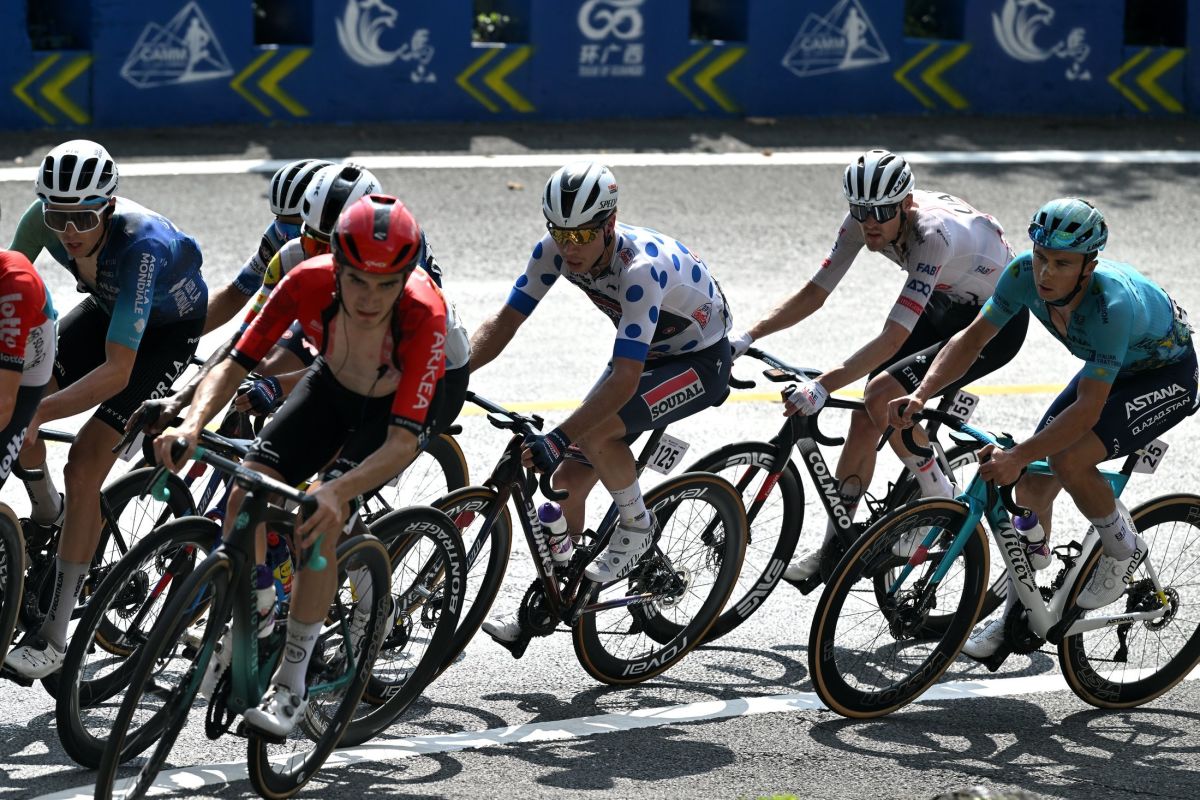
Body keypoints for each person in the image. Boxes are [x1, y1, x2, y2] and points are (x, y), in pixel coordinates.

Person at [155, 194, 450, 735]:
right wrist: (190, 423)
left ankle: (291, 685)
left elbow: (401, 443)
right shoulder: (305, 280)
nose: (370, 298)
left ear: (407, 277)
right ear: (335, 266)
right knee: (244, 495)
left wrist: (335, 491)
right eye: (357, 280)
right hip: (332, 384)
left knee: (318, 519)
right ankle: (263, 609)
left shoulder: (425, 314)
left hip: (393, 410)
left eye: (386, 285)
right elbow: (236, 361)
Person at [888, 198, 1196, 659]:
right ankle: (1019, 616)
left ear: (1088, 266)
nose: (1046, 273)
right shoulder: (1020, 275)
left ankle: (1122, 548)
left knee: (1068, 459)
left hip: (1166, 376)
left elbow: (1088, 411)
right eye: (1041, 257)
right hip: (1110, 368)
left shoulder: (1110, 305)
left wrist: (1016, 455)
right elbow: (972, 339)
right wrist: (922, 393)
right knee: (1031, 486)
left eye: (1062, 263)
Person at [728, 149, 1029, 584]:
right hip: (949, 299)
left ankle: (940, 502)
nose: (870, 222)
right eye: (860, 210)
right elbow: (815, 292)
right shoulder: (865, 219)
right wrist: (748, 335)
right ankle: (836, 548)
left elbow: (892, 337)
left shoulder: (932, 236)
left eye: (882, 212)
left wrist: (822, 386)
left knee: (883, 395)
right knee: (866, 419)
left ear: (905, 204)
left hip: (996, 322)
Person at [471, 160, 733, 651]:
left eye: (582, 235)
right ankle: (557, 596)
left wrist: (558, 437)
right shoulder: (554, 250)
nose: (570, 247)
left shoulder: (639, 271)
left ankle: (637, 523)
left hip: (700, 361)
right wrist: (452, 374)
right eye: (560, 233)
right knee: (565, 485)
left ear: (609, 224)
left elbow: (625, 378)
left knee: (593, 432)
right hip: (648, 351)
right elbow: (506, 321)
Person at [4, 140, 207, 679]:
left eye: (84, 218)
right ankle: (49, 512)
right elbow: (9, 296)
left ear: (109, 208)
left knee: (84, 462)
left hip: (164, 336)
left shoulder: (141, 247)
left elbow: (118, 371)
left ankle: (55, 636)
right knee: (13, 398)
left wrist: (38, 414)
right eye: (58, 217)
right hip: (106, 308)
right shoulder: (41, 220)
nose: (69, 231)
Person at [202, 158, 329, 334]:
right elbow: (235, 294)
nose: (286, 237)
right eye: (281, 224)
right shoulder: (278, 237)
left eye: (298, 228)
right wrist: (178, 338)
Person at [0, 205, 57, 489]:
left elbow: (4, 404)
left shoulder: (15, 283)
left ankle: (49, 507)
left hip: (25, 370)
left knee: (84, 466)